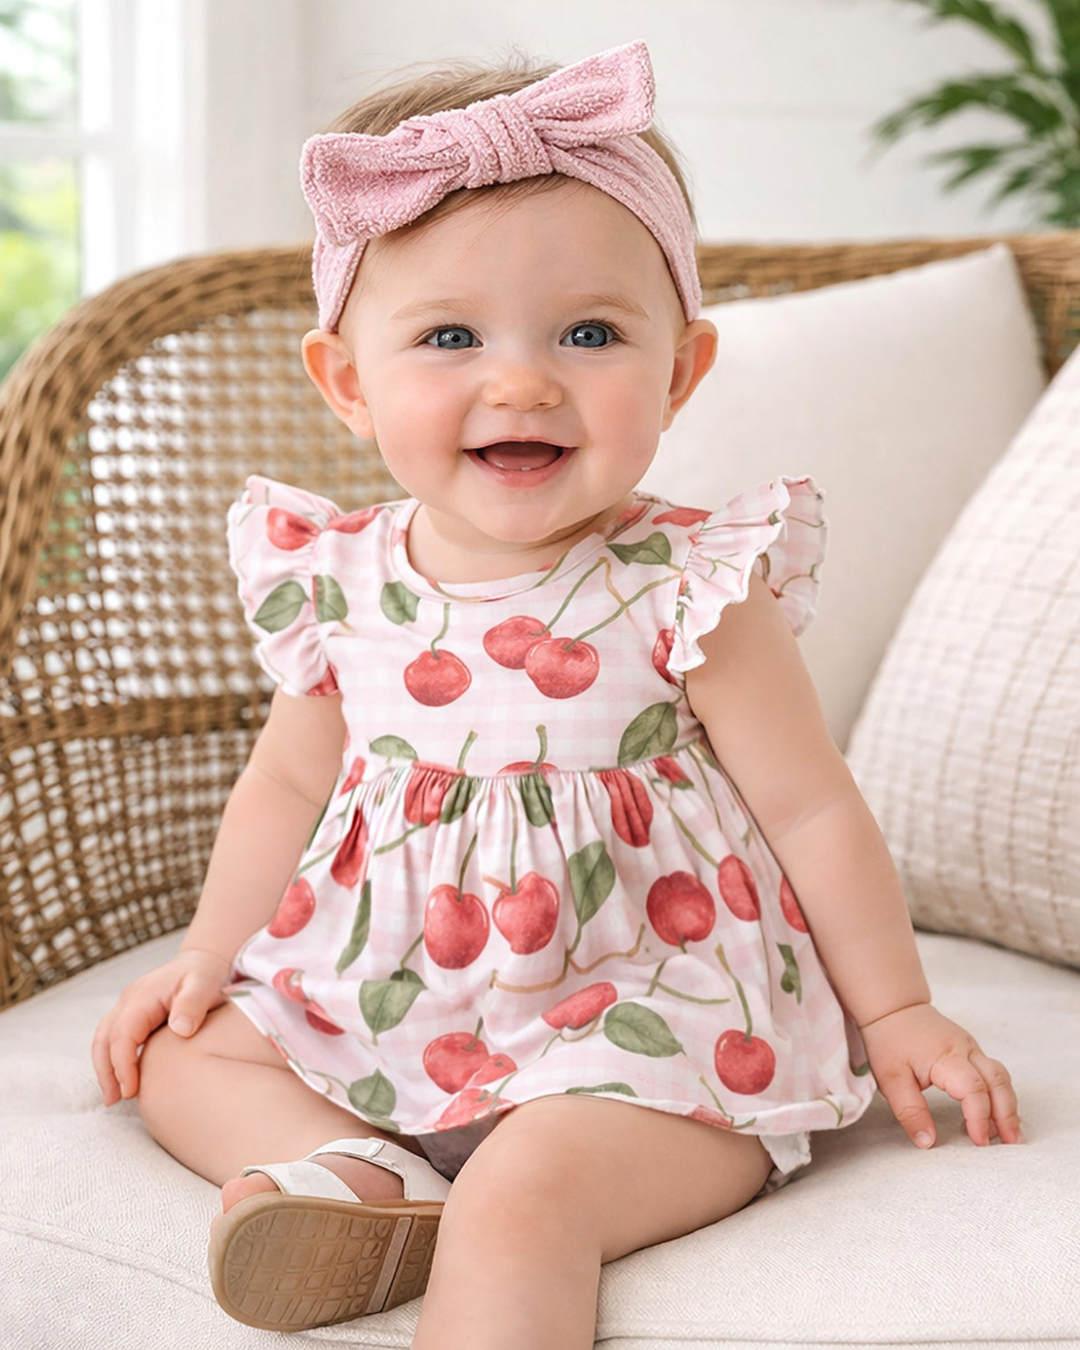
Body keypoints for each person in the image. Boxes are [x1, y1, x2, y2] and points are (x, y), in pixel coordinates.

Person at [92, 39, 1022, 1348]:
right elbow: (289, 784)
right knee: (173, 1059)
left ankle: (467, 1218)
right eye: (450, 336)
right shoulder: (341, 578)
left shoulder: (690, 582)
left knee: (525, 1193)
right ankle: (367, 1178)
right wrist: (207, 954)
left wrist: (899, 1011)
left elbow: (811, 807)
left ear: (682, 371)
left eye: (589, 332)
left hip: (646, 1030)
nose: (520, 378)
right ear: (348, 381)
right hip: (392, 999)